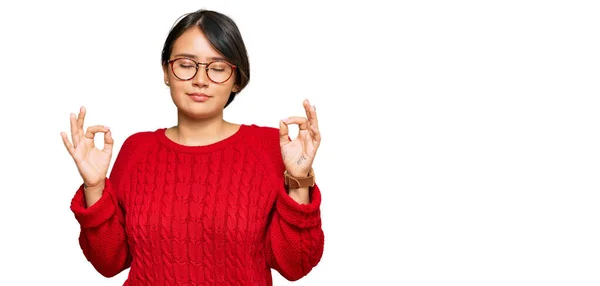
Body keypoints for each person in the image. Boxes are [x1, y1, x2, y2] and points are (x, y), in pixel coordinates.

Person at [60, 9, 324, 285]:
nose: (201, 79)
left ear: (237, 80)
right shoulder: (137, 150)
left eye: (218, 68)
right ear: (166, 71)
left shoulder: (270, 148)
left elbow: (296, 266)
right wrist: (94, 187)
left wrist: (298, 181)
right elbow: (109, 263)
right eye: (186, 64)